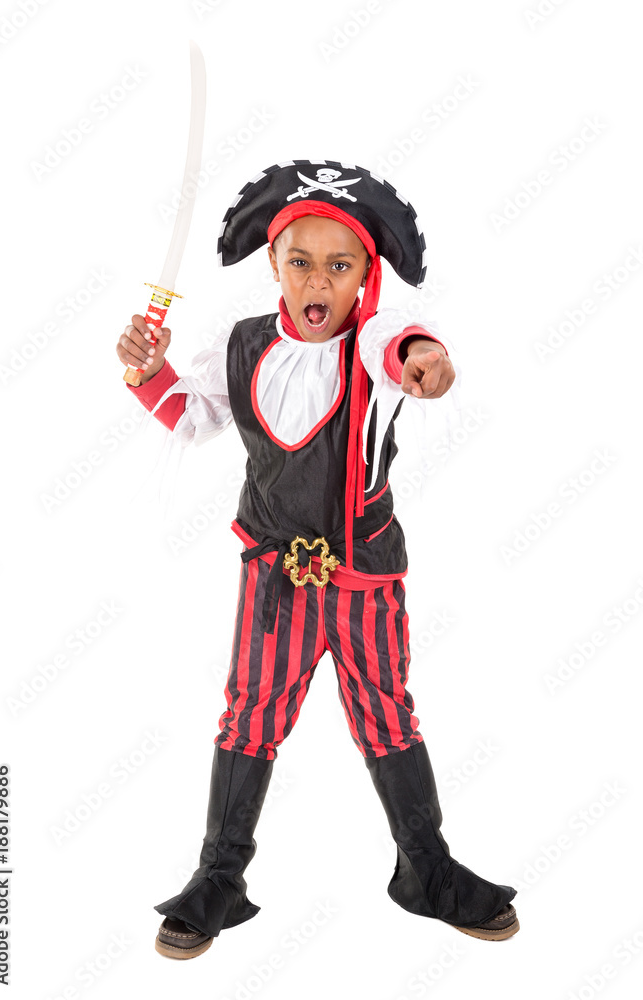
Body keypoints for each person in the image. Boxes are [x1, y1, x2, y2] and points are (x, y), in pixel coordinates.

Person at [116, 160, 519, 958]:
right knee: (250, 715)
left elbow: (404, 346)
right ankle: (218, 877)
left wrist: (426, 361)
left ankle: (427, 869)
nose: (318, 280)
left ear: (364, 275)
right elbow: (190, 416)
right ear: (273, 263)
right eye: (300, 261)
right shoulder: (243, 344)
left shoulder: (372, 339)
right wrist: (147, 368)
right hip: (274, 576)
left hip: (363, 575)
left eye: (340, 266)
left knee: (386, 714)